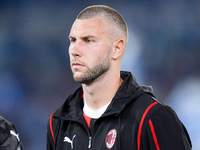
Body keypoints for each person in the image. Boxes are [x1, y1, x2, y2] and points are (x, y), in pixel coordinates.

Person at [46, 5, 192, 150]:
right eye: (73, 40)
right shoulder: (59, 122)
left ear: (117, 49)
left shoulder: (152, 117)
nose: (75, 50)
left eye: (89, 40)